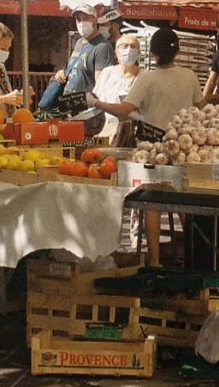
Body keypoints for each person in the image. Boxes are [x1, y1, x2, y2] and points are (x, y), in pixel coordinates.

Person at [87, 28, 203, 268]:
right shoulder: (190, 76)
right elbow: (200, 107)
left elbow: (123, 110)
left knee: (153, 204)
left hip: (154, 150)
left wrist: (95, 102)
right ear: (178, 52)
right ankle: (197, 259)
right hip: (185, 150)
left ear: (152, 53)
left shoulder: (147, 79)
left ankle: (155, 262)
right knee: (185, 203)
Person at [55, 5, 116, 96]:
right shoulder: (79, 43)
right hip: (69, 100)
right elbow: (76, 70)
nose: (82, 23)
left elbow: (101, 85)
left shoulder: (102, 47)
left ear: (95, 20)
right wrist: (63, 73)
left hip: (86, 103)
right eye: (78, 19)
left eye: (86, 18)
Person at [90, 35, 141, 138]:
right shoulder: (107, 73)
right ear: (116, 53)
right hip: (106, 133)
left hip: (132, 135)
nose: (129, 50)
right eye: (124, 46)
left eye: (133, 46)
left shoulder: (144, 77)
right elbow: (95, 102)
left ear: (138, 53)